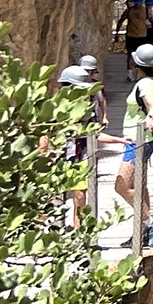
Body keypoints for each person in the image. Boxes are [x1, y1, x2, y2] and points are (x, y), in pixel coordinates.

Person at [115, 43, 153, 247]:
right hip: (140, 139)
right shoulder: (152, 81)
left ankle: (150, 222)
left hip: (139, 140)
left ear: (137, 62)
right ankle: (143, 231)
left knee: (122, 185)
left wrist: (150, 117)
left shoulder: (145, 84)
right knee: (138, 186)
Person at [48, 54, 105, 223]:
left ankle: (78, 235)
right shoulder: (55, 106)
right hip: (59, 155)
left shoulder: (88, 105)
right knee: (55, 199)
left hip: (81, 154)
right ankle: (55, 233)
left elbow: (92, 130)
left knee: (80, 196)